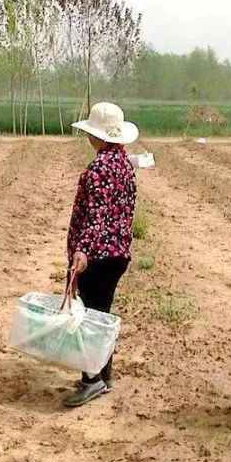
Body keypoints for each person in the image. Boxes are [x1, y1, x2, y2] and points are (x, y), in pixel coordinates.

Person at [62, 102, 139, 408]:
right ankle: (104, 375)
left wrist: (82, 250)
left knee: (89, 320)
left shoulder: (98, 169)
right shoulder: (124, 165)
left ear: (99, 136)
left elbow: (96, 215)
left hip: (96, 254)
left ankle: (90, 380)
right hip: (118, 253)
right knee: (102, 316)